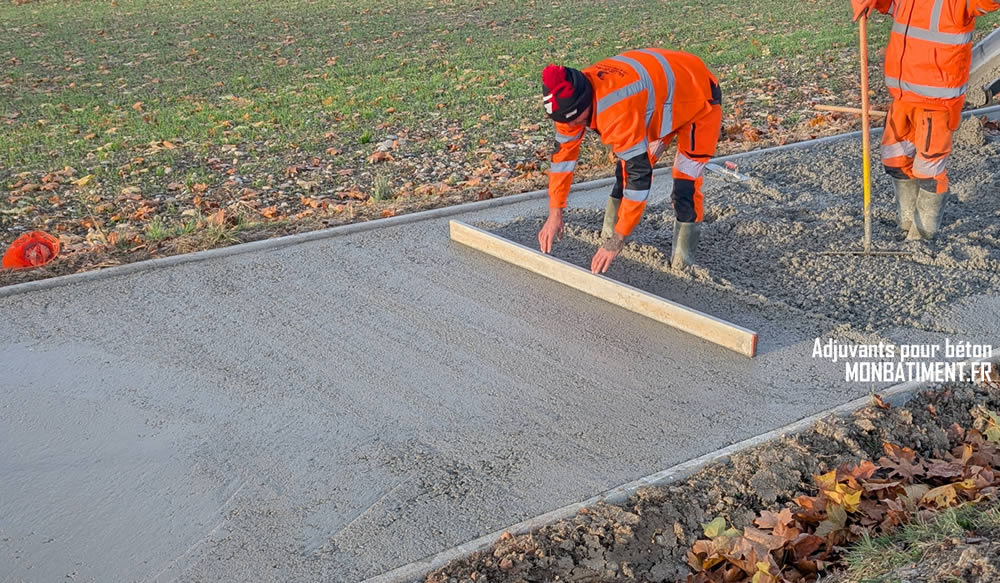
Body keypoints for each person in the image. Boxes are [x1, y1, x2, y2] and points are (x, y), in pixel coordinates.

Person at [537, 48, 722, 273]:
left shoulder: (616, 111)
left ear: (586, 102)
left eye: (577, 121)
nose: (574, 127)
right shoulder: (565, 101)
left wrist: (618, 241)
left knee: (685, 186)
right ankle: (606, 236)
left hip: (698, 98)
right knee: (622, 173)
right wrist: (555, 212)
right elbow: (562, 160)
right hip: (658, 101)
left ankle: (683, 263)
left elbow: (639, 179)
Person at [852, 0, 999, 239]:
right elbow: (888, 4)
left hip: (937, 102)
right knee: (895, 159)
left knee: (928, 169)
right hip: (902, 95)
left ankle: (922, 233)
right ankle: (906, 223)